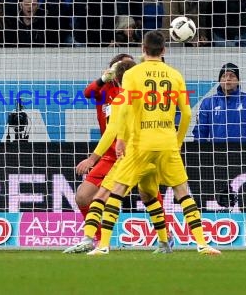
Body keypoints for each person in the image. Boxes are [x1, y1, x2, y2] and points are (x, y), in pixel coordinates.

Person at [87, 30, 221, 256]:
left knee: (117, 191)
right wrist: (177, 141)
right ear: (164, 50)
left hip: (140, 143)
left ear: (143, 49)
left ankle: (103, 245)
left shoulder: (132, 74)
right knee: (182, 193)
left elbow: (126, 108)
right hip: (167, 142)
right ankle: (201, 243)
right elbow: (186, 114)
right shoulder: (175, 75)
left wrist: (120, 140)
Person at [64, 58, 174, 254]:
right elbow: (88, 93)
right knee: (83, 196)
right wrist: (102, 78)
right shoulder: (104, 90)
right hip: (109, 156)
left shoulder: (137, 92)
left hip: (136, 153)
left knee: (147, 195)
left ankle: (166, 237)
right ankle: (95, 240)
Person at [193, 63, 246, 143]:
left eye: (232, 76)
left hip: (243, 153)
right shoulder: (208, 103)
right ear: (219, 80)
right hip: (216, 153)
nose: (228, 79)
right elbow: (200, 132)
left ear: (238, 81)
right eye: (224, 76)